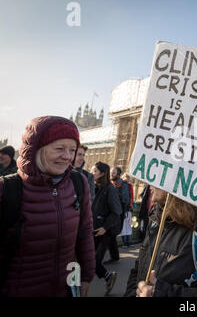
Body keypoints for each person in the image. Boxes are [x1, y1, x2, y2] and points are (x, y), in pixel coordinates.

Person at [0, 116, 95, 296]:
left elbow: (85, 232)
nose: (67, 156)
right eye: (59, 148)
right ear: (37, 149)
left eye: (72, 150)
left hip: (64, 290)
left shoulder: (79, 183)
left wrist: (87, 276)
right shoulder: (7, 189)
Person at [91, 161, 122, 296]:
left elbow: (117, 212)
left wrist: (105, 227)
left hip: (104, 233)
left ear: (102, 173)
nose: (92, 173)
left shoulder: (110, 189)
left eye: (95, 171)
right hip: (92, 230)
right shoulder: (94, 187)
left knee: (94, 261)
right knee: (87, 259)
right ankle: (108, 276)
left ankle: (109, 276)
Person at [105, 167, 130, 263]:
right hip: (109, 213)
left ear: (118, 174)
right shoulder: (110, 184)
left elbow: (126, 200)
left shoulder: (122, 185)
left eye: (113, 173)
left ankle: (100, 258)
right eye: (111, 173)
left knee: (110, 235)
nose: (111, 175)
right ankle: (115, 256)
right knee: (111, 236)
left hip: (117, 214)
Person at [119, 174, 134, 248]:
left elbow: (130, 197)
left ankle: (126, 243)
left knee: (125, 226)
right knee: (127, 226)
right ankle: (127, 242)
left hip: (125, 209)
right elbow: (131, 198)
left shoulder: (125, 185)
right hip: (127, 208)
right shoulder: (129, 186)